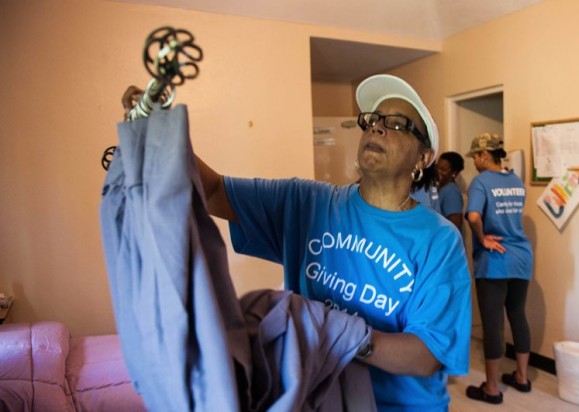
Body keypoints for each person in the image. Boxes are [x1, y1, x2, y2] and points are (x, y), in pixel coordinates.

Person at [123, 74, 472, 411]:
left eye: (397, 124)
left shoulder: (439, 240)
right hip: (314, 397)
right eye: (373, 120)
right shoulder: (307, 203)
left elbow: (427, 355)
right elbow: (213, 191)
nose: (377, 128)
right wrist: (158, 130)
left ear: (423, 158)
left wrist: (347, 336)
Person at [463, 132, 533, 405]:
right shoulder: (516, 181)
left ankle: (491, 388)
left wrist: (482, 238)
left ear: (484, 155)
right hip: (522, 257)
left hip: (495, 260)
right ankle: (522, 377)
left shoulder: (481, 182)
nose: (474, 162)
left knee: (493, 324)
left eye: (475, 157)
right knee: (518, 315)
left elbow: (473, 216)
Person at [435, 151, 464, 229]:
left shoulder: (451, 193)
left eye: (443, 169)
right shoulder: (441, 188)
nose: (438, 171)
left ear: (454, 173)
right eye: (437, 167)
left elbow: (455, 224)